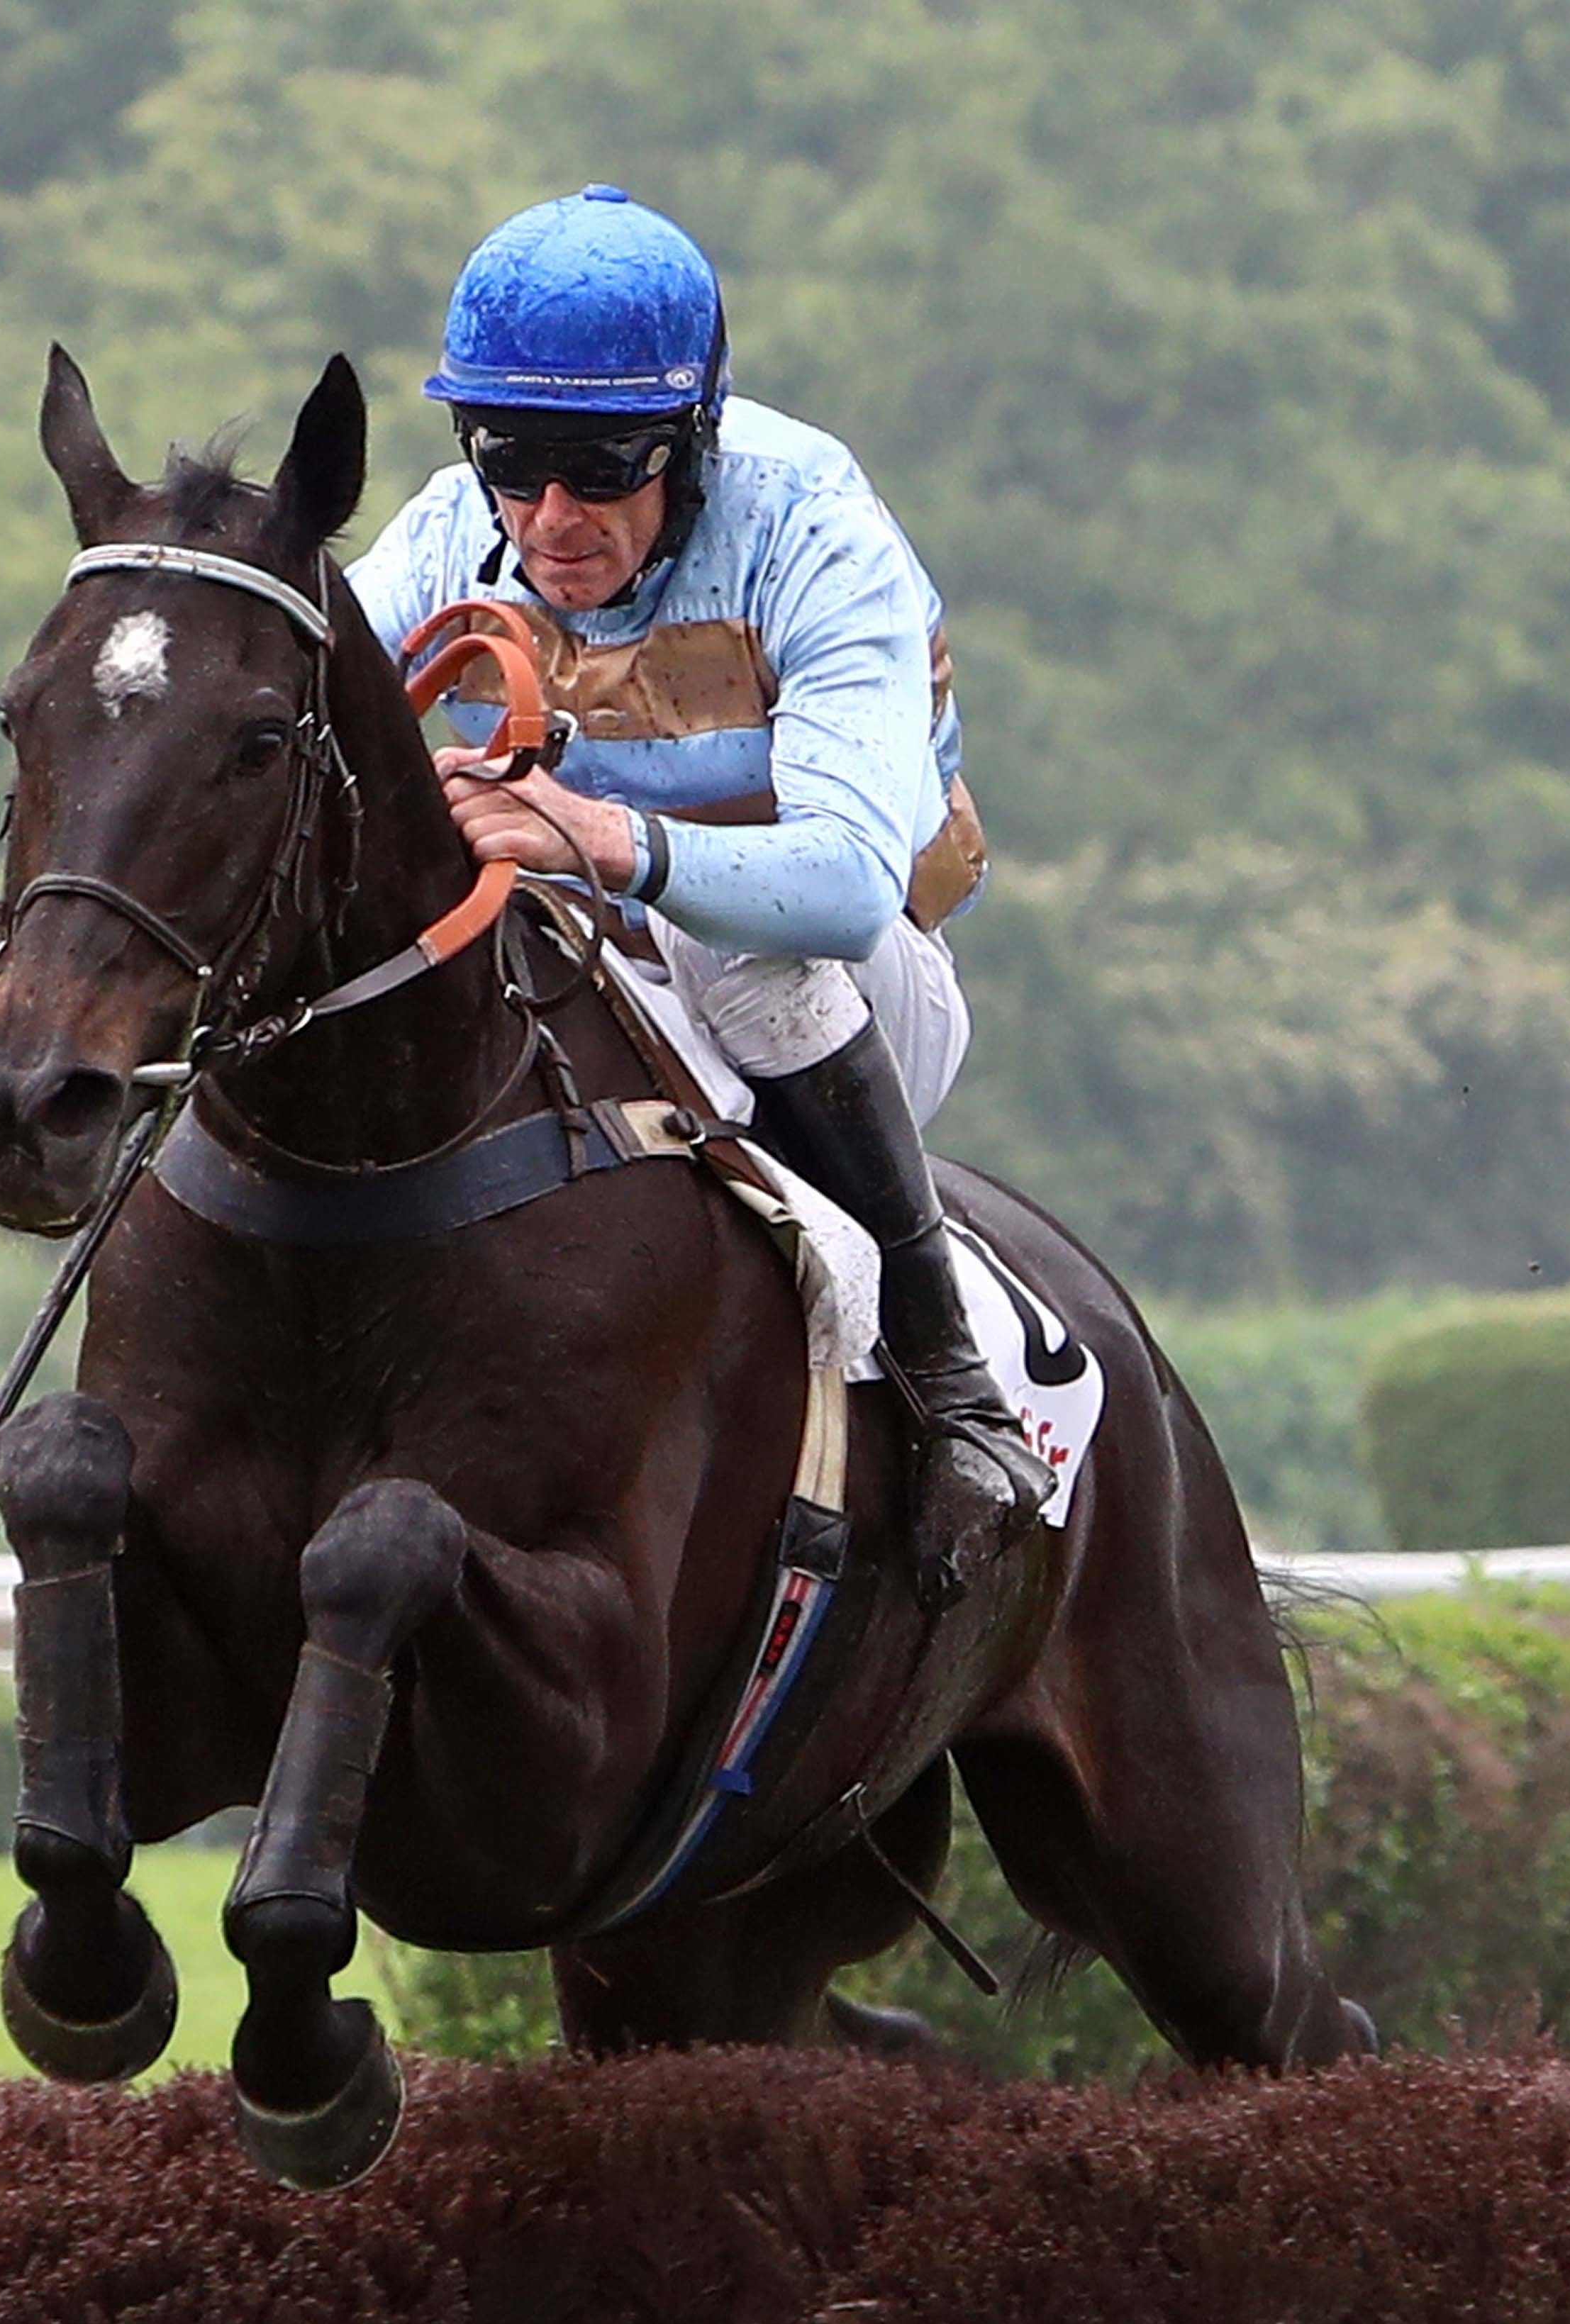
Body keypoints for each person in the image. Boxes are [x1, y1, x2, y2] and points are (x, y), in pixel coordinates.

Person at [347, 184, 1054, 1600]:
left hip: (854, 989)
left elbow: (845, 889)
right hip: (598, 980)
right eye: (510, 459)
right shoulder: (441, 536)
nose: (551, 518)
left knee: (730, 942)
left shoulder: (816, 532)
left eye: (603, 464)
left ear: (691, 440)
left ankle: (949, 1373)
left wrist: (605, 841)